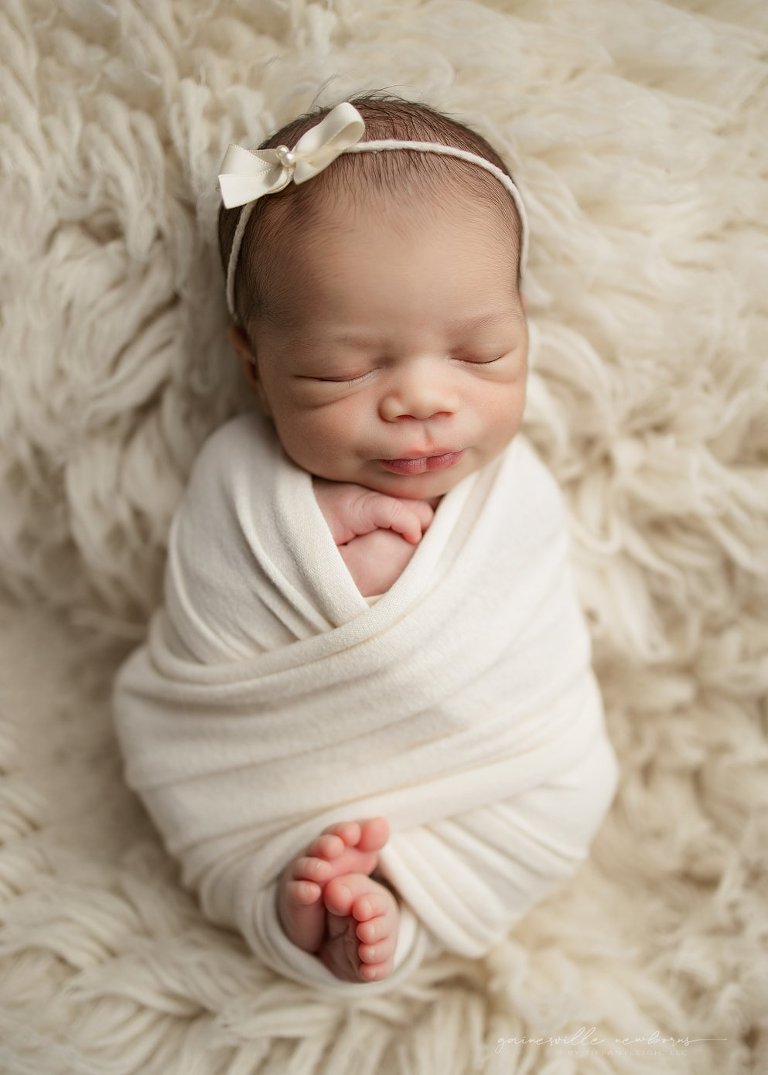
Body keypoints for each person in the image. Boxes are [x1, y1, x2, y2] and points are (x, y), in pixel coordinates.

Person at [112, 93, 619, 997]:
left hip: (495, 771)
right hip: (271, 773)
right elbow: (212, 622)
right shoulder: (238, 478)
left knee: (575, 787)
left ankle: (394, 901)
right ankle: (304, 908)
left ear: (525, 327)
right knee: (232, 820)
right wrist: (327, 555)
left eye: (481, 353)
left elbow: (531, 665)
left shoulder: (520, 494)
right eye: (343, 369)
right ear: (255, 365)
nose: (422, 399)